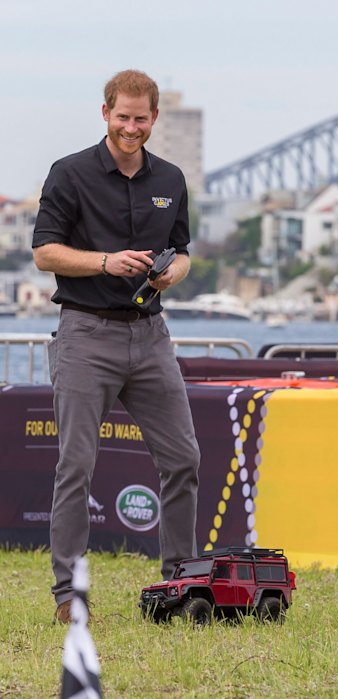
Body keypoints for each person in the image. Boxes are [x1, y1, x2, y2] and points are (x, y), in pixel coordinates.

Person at [32, 70, 200, 623]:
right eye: (123, 116)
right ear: (104, 113)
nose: (132, 127)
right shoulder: (69, 173)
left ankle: (178, 582)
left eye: (141, 118)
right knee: (75, 467)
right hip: (85, 333)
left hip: (151, 334)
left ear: (155, 119)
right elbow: (45, 254)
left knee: (183, 459)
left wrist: (172, 273)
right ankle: (68, 594)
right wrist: (105, 261)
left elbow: (182, 251)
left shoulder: (172, 178)